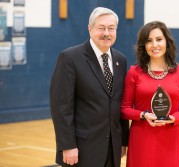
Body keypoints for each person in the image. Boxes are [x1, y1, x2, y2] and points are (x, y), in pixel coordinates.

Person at [50, 7, 129, 167]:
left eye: (111, 28)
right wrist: (67, 145)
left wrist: (122, 140)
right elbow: (61, 107)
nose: (106, 33)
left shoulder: (121, 60)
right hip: (81, 148)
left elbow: (120, 103)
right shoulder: (70, 58)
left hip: (112, 148)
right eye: (101, 28)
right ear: (90, 29)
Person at [121, 21, 179, 167]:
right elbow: (124, 109)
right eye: (149, 41)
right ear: (144, 46)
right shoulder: (134, 72)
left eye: (159, 39)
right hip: (141, 137)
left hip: (170, 138)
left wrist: (174, 118)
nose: (155, 45)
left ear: (167, 41)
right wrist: (143, 115)